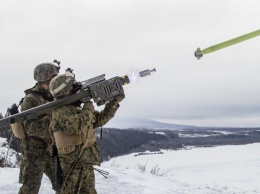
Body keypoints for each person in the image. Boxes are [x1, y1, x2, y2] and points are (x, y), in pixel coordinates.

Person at [49, 70, 124, 194]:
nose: (77, 90)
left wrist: (114, 102)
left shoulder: (76, 108)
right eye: (73, 88)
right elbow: (75, 126)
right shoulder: (60, 111)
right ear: (66, 92)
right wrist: (88, 110)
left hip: (85, 161)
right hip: (72, 164)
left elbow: (99, 120)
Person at [18, 62, 60, 194]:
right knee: (30, 189)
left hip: (51, 149)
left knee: (63, 184)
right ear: (43, 78)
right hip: (34, 152)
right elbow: (30, 127)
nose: (54, 81)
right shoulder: (31, 99)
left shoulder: (55, 95)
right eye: (52, 78)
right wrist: (54, 118)